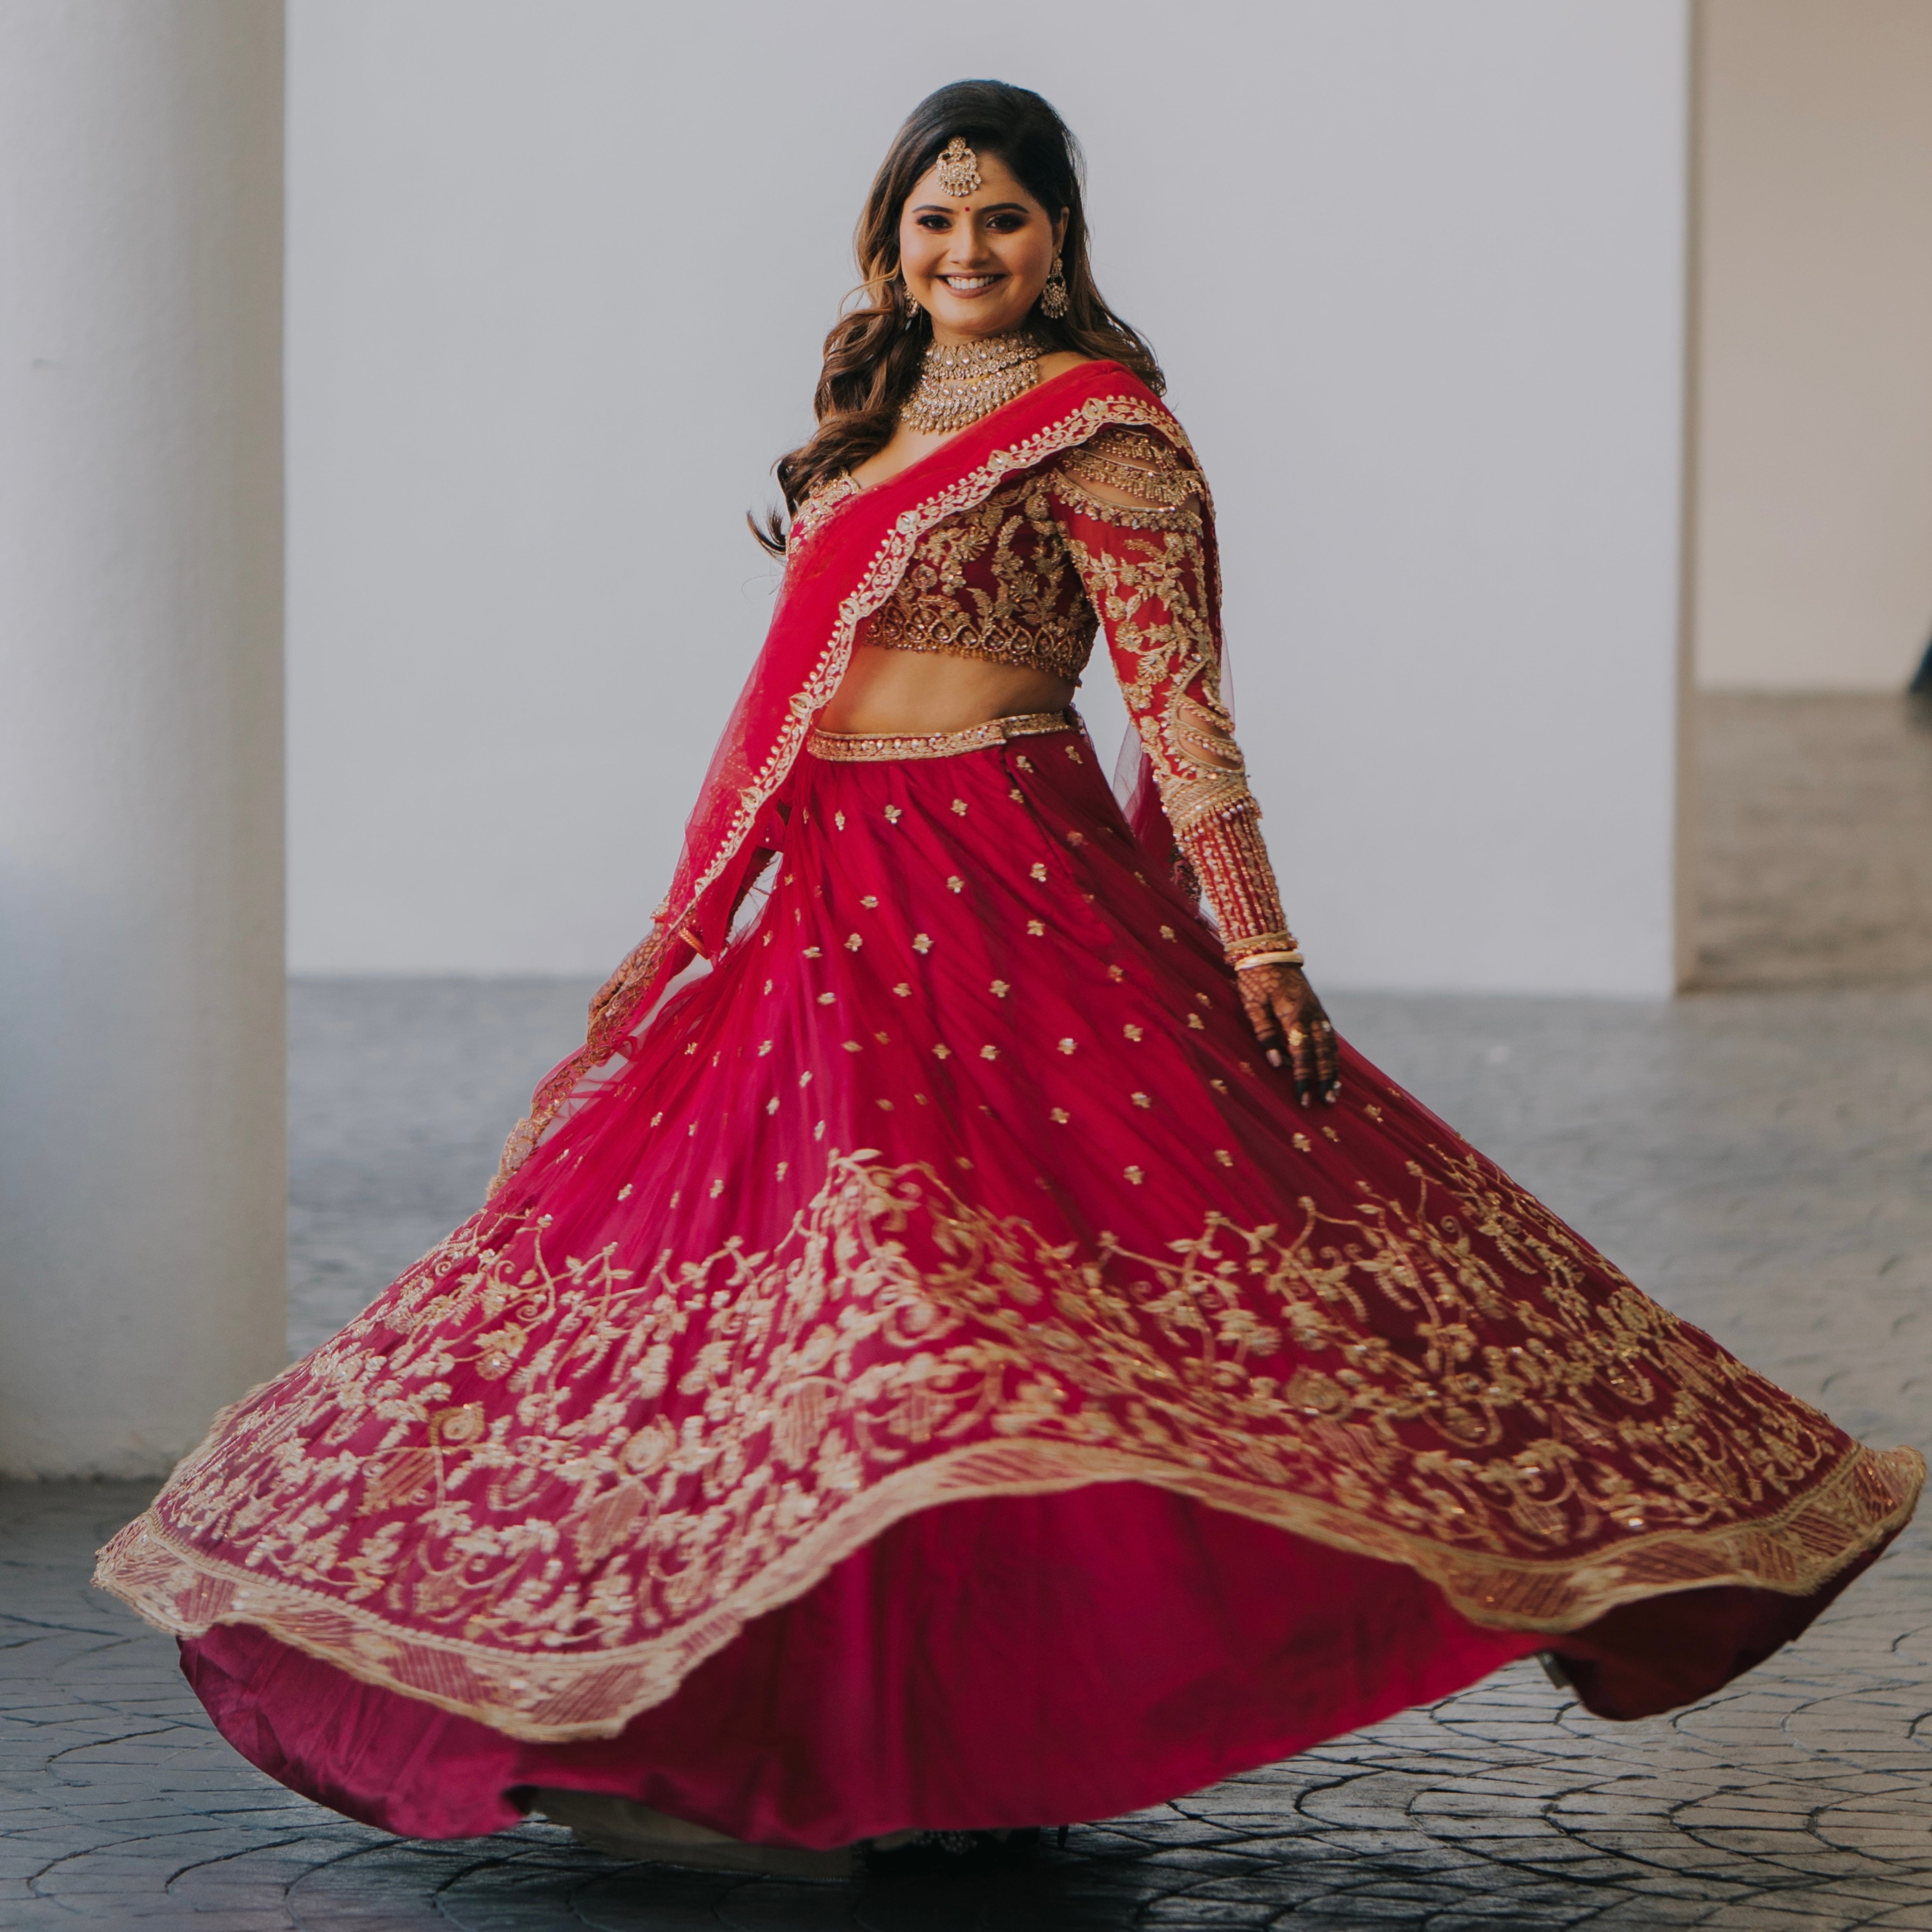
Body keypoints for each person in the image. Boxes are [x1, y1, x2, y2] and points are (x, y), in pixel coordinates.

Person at [98, 79, 1920, 1883]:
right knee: (783, 1331)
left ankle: (953, 1729)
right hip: (829, 907)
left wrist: (1260, 943)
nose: (965, 247)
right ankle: (753, 1729)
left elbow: (1183, 714)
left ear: (1059, 239)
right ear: (889, 238)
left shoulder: (1105, 437)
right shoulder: (867, 421)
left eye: (1002, 216)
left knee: (981, 1320)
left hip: (1002, 897)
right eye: (934, 216)